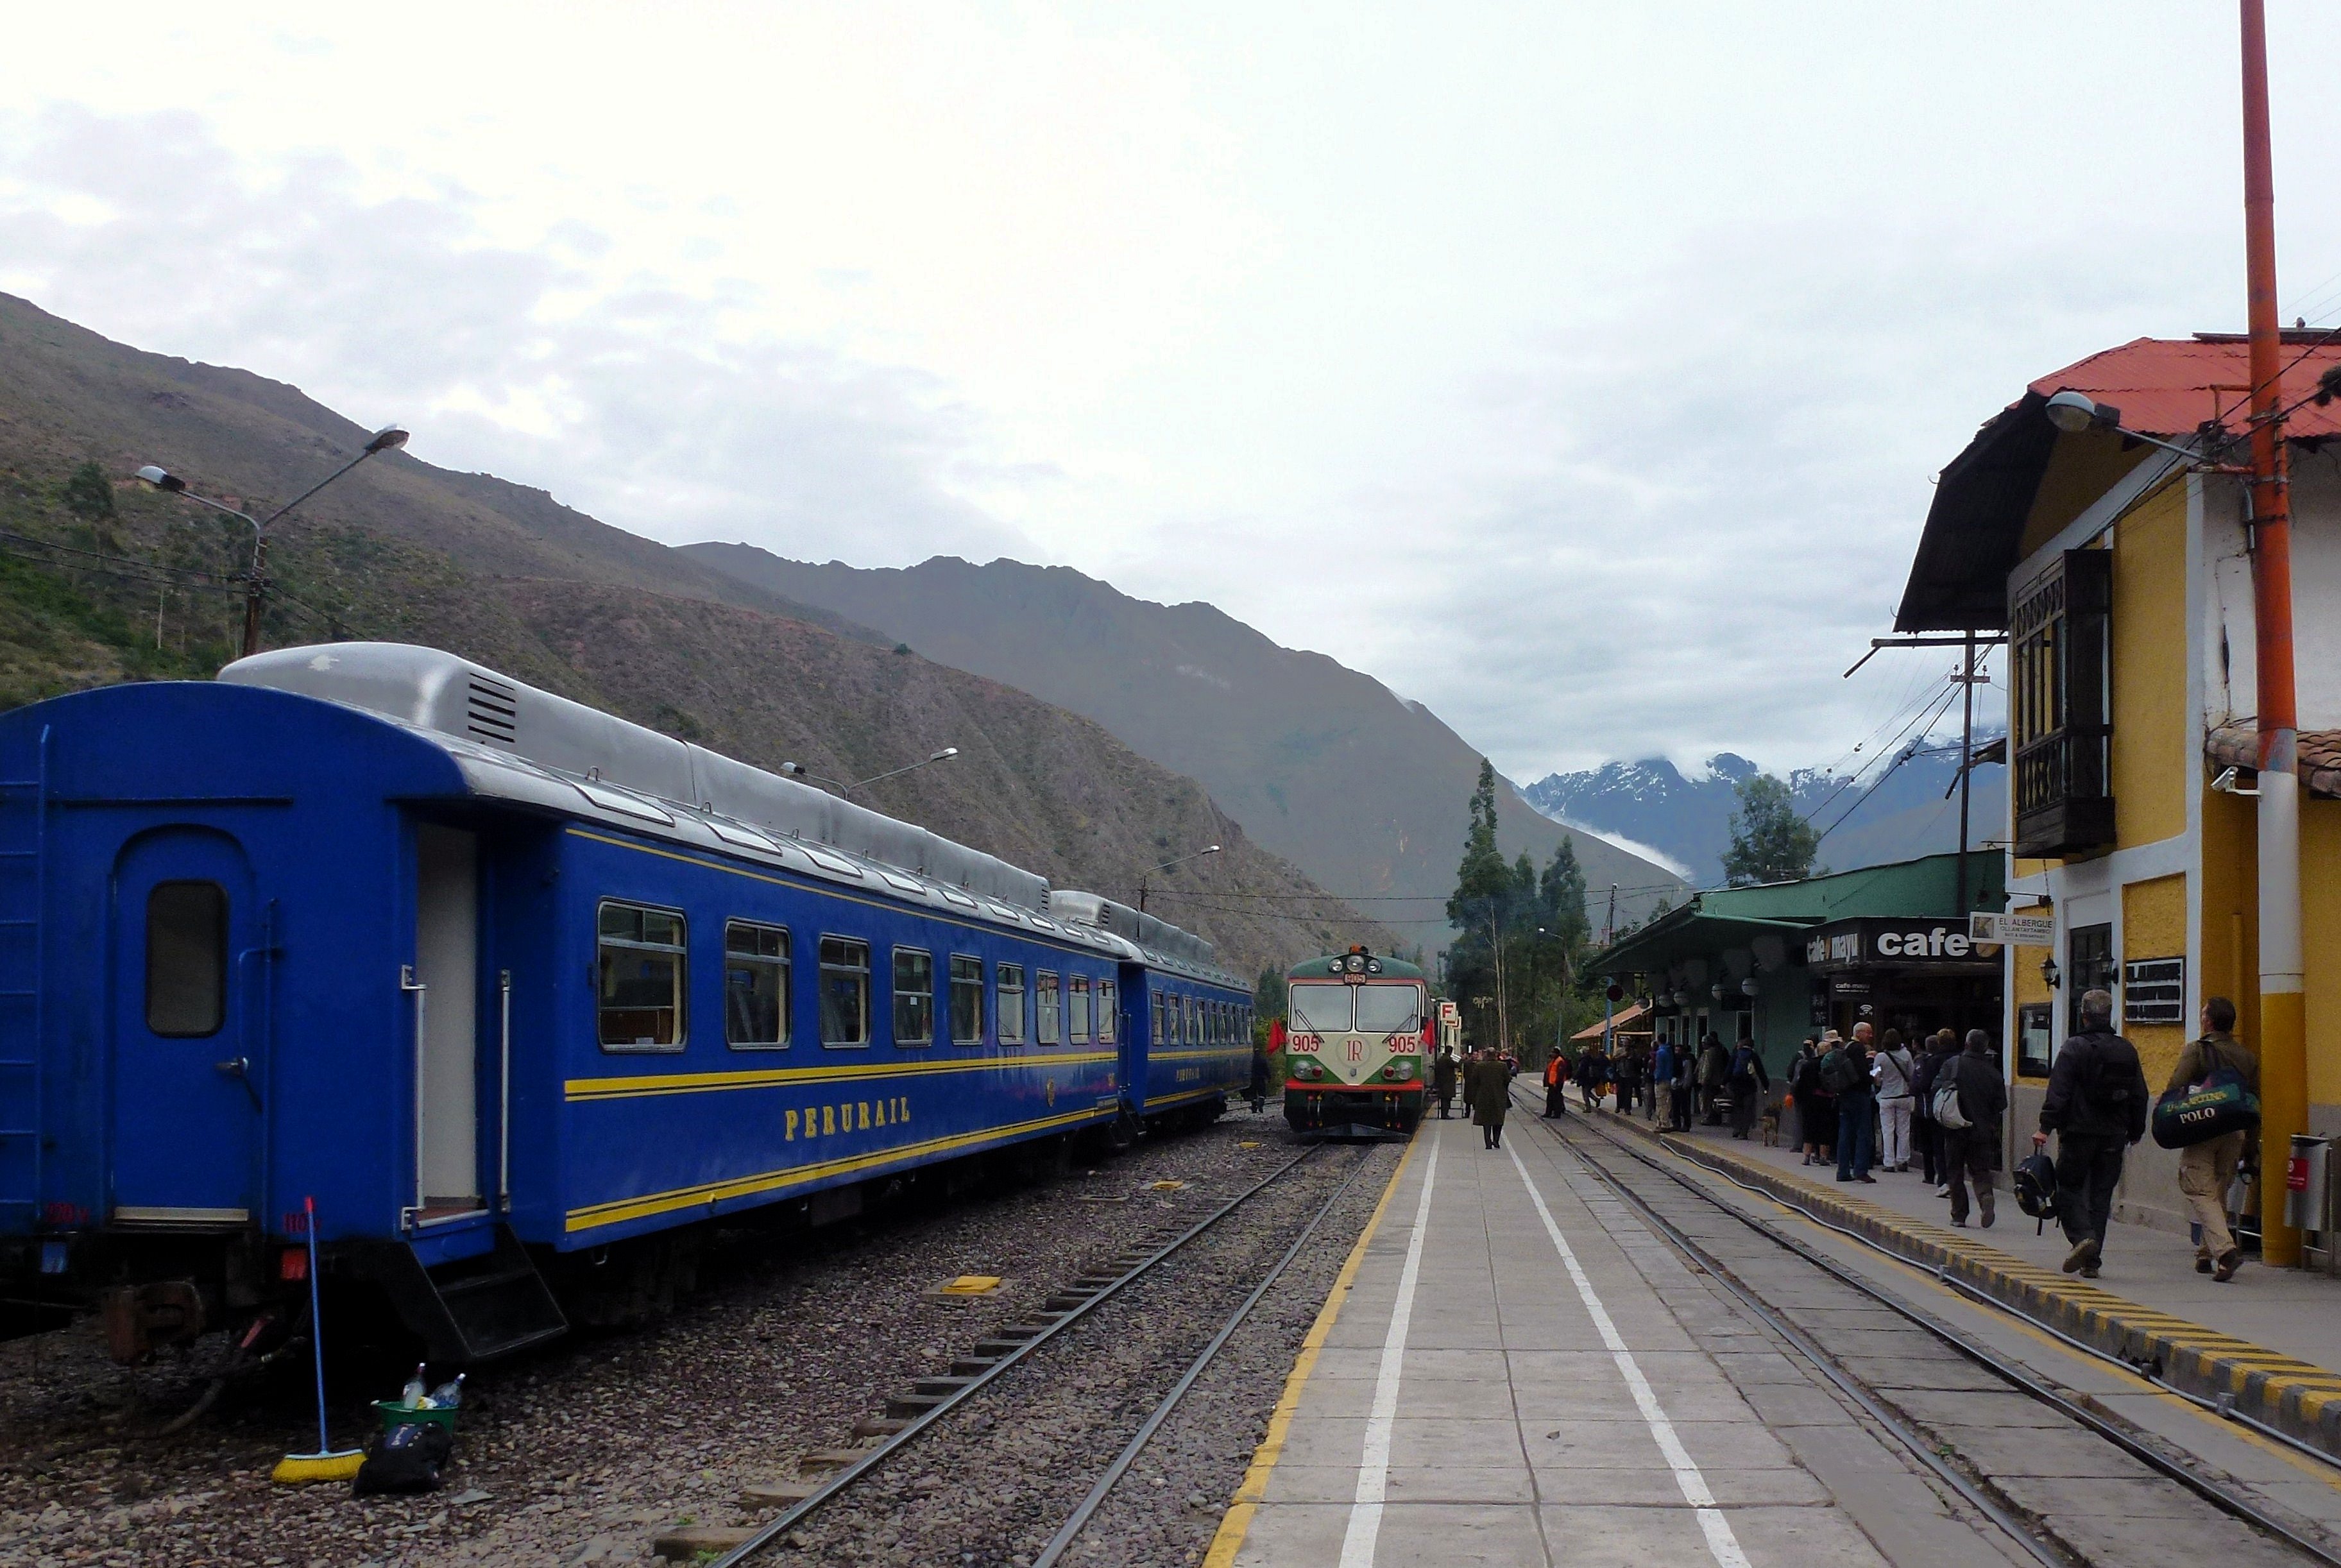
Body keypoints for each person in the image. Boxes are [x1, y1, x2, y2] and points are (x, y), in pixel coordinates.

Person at [2035, 988, 2149, 1277]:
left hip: (2078, 1132)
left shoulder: (2074, 1047)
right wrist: (2136, 1130)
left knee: (2067, 1188)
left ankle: (2082, 1238)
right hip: (2113, 1135)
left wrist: (2045, 1127)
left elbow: (2058, 1091)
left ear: (2083, 1015)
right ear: (2108, 1015)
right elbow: (2140, 1094)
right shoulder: (2127, 1049)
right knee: (2101, 1196)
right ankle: (2092, 1262)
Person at [2166, 997, 2258, 1282]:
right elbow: (2254, 1102)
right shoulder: (2246, 1056)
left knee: (2198, 1189)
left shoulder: (2197, 1050)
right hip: (2235, 1131)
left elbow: (2176, 1086)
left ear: (2208, 1021)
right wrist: (2251, 1148)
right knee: (2219, 1189)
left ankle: (2226, 1251)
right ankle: (2207, 1254)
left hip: (2203, 1127)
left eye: (2203, 1013)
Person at [1941, 1028, 2007, 1227]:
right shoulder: (1994, 1073)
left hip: (1956, 1127)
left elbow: (1939, 1088)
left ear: (1967, 1044)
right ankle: (1985, 1195)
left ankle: (1959, 1215)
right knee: (1980, 1170)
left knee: (1955, 1171)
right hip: (1982, 1129)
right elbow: (2001, 1105)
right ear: (1985, 1048)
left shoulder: (1954, 1064)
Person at [1830, 1024, 1877, 1183]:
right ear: (1859, 1033)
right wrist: (1873, 1077)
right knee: (1864, 1133)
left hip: (1845, 1095)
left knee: (1845, 1132)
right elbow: (1863, 1074)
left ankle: (1842, 1171)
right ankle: (1861, 1170)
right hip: (1859, 1095)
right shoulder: (1858, 1049)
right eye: (1868, 1033)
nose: (1871, 1036)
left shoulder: (1846, 1048)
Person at [1909, 1031, 1952, 1188]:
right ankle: (1952, 1178)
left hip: (1932, 1107)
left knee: (1934, 1144)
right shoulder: (1958, 1059)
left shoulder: (1930, 1062)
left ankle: (1935, 1176)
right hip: (1956, 1107)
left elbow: (1922, 1085)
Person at [1872, 1028, 1917, 1173]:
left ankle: (1889, 1162)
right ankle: (1903, 1160)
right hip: (1904, 1096)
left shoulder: (1880, 1057)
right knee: (1904, 1130)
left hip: (1886, 1097)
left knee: (1887, 1130)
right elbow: (1911, 1074)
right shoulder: (1906, 1054)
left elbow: (1875, 1077)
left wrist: (1882, 1082)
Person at [1792, 1036, 1834, 1167]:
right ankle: (1823, 1156)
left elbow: (1800, 1084)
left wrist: (1799, 1098)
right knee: (1824, 1128)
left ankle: (1807, 1156)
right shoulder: (1830, 1066)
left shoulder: (1808, 1064)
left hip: (1809, 1101)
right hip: (1826, 1100)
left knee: (1808, 1127)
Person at [1727, 1037, 1771, 1140]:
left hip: (1736, 1086)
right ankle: (1744, 1132)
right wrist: (1766, 1085)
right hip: (1750, 1087)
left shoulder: (1736, 1055)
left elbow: (1729, 1070)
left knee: (1738, 1107)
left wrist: (1724, 1082)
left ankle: (1737, 1128)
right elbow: (1761, 1071)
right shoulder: (1754, 1056)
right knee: (1748, 1110)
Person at [1468, 1047, 1510, 1150]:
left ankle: (1488, 1142)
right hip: (1499, 1096)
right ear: (1496, 1055)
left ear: (1486, 1055)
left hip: (1483, 1096)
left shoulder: (1480, 1066)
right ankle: (1496, 1141)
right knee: (1498, 1119)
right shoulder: (1502, 1066)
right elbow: (1507, 1080)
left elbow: (1474, 1081)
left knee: (1486, 1121)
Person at [1698, 1034, 1730, 1125]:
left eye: (1704, 1043)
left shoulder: (1710, 1053)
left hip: (1711, 1081)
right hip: (1716, 1080)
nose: (1703, 1045)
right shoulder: (1718, 1051)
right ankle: (1715, 1118)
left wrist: (1704, 1079)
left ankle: (1710, 1118)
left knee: (1709, 1100)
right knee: (1714, 1100)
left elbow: (1707, 1068)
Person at [1652, 1037, 1677, 1129]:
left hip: (1661, 1080)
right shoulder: (1669, 1051)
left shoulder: (1660, 1053)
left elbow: (1660, 1068)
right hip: (1669, 1079)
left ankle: (1664, 1123)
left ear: (1658, 1041)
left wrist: (1657, 1079)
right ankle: (1661, 1122)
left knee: (1661, 1103)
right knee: (1667, 1102)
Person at [1433, 1047, 1460, 1120]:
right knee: (1447, 1099)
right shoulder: (1448, 1060)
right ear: (1451, 1052)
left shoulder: (1441, 1059)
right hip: (1448, 1083)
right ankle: (1445, 1115)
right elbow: (1457, 1065)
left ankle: (1444, 1114)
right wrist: (1462, 1060)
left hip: (1441, 1082)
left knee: (1444, 1099)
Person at [1542, 1049, 1570, 1118]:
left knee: (1556, 1099)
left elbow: (1560, 1074)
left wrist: (1557, 1083)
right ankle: (1548, 1113)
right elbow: (1549, 1072)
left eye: (1553, 1053)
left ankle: (1557, 1114)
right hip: (1552, 1083)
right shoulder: (1553, 1061)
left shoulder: (1560, 1061)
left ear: (1557, 1054)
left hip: (1556, 1084)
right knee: (1550, 1099)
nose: (1552, 1054)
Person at [1248, 1043, 1271, 1114]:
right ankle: (1260, 1105)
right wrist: (1269, 1077)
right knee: (1262, 1094)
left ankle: (1254, 1108)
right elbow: (1266, 1069)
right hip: (1261, 1079)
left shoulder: (1251, 1061)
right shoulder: (1263, 1060)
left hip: (1252, 1079)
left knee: (1253, 1094)